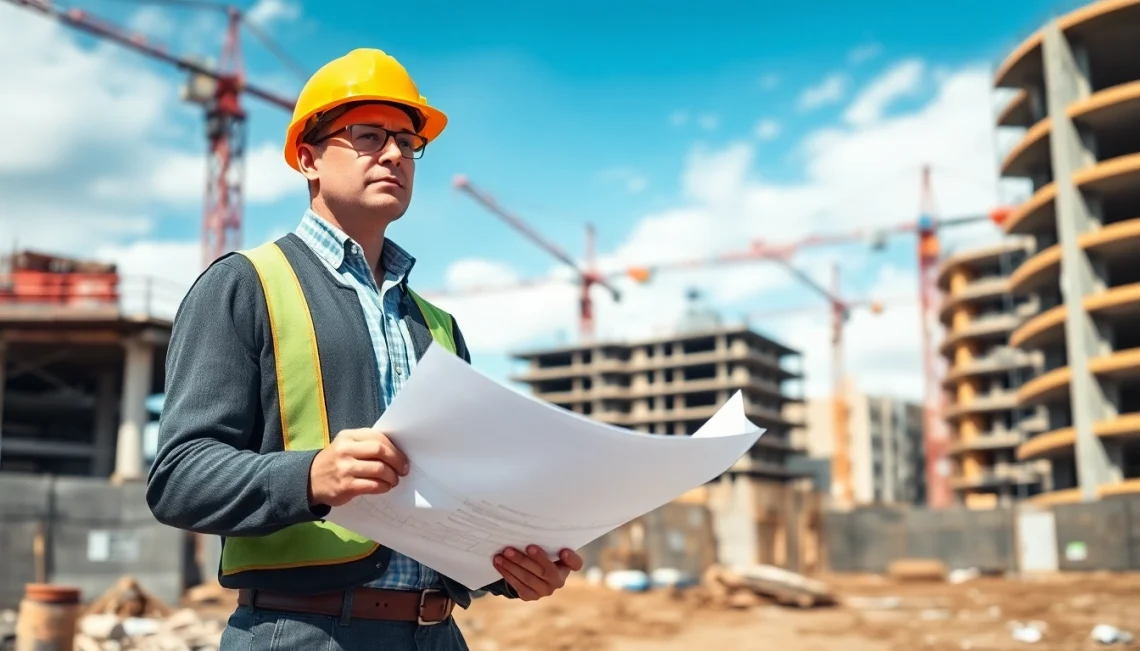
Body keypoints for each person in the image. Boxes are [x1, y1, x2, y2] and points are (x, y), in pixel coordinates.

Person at [145, 48, 583, 651]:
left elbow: (455, 498)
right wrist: (312, 476)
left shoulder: (438, 325)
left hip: (437, 633)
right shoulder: (246, 285)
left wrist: (514, 567)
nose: (396, 154)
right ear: (308, 158)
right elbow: (178, 478)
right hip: (301, 632)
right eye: (369, 135)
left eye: (408, 142)